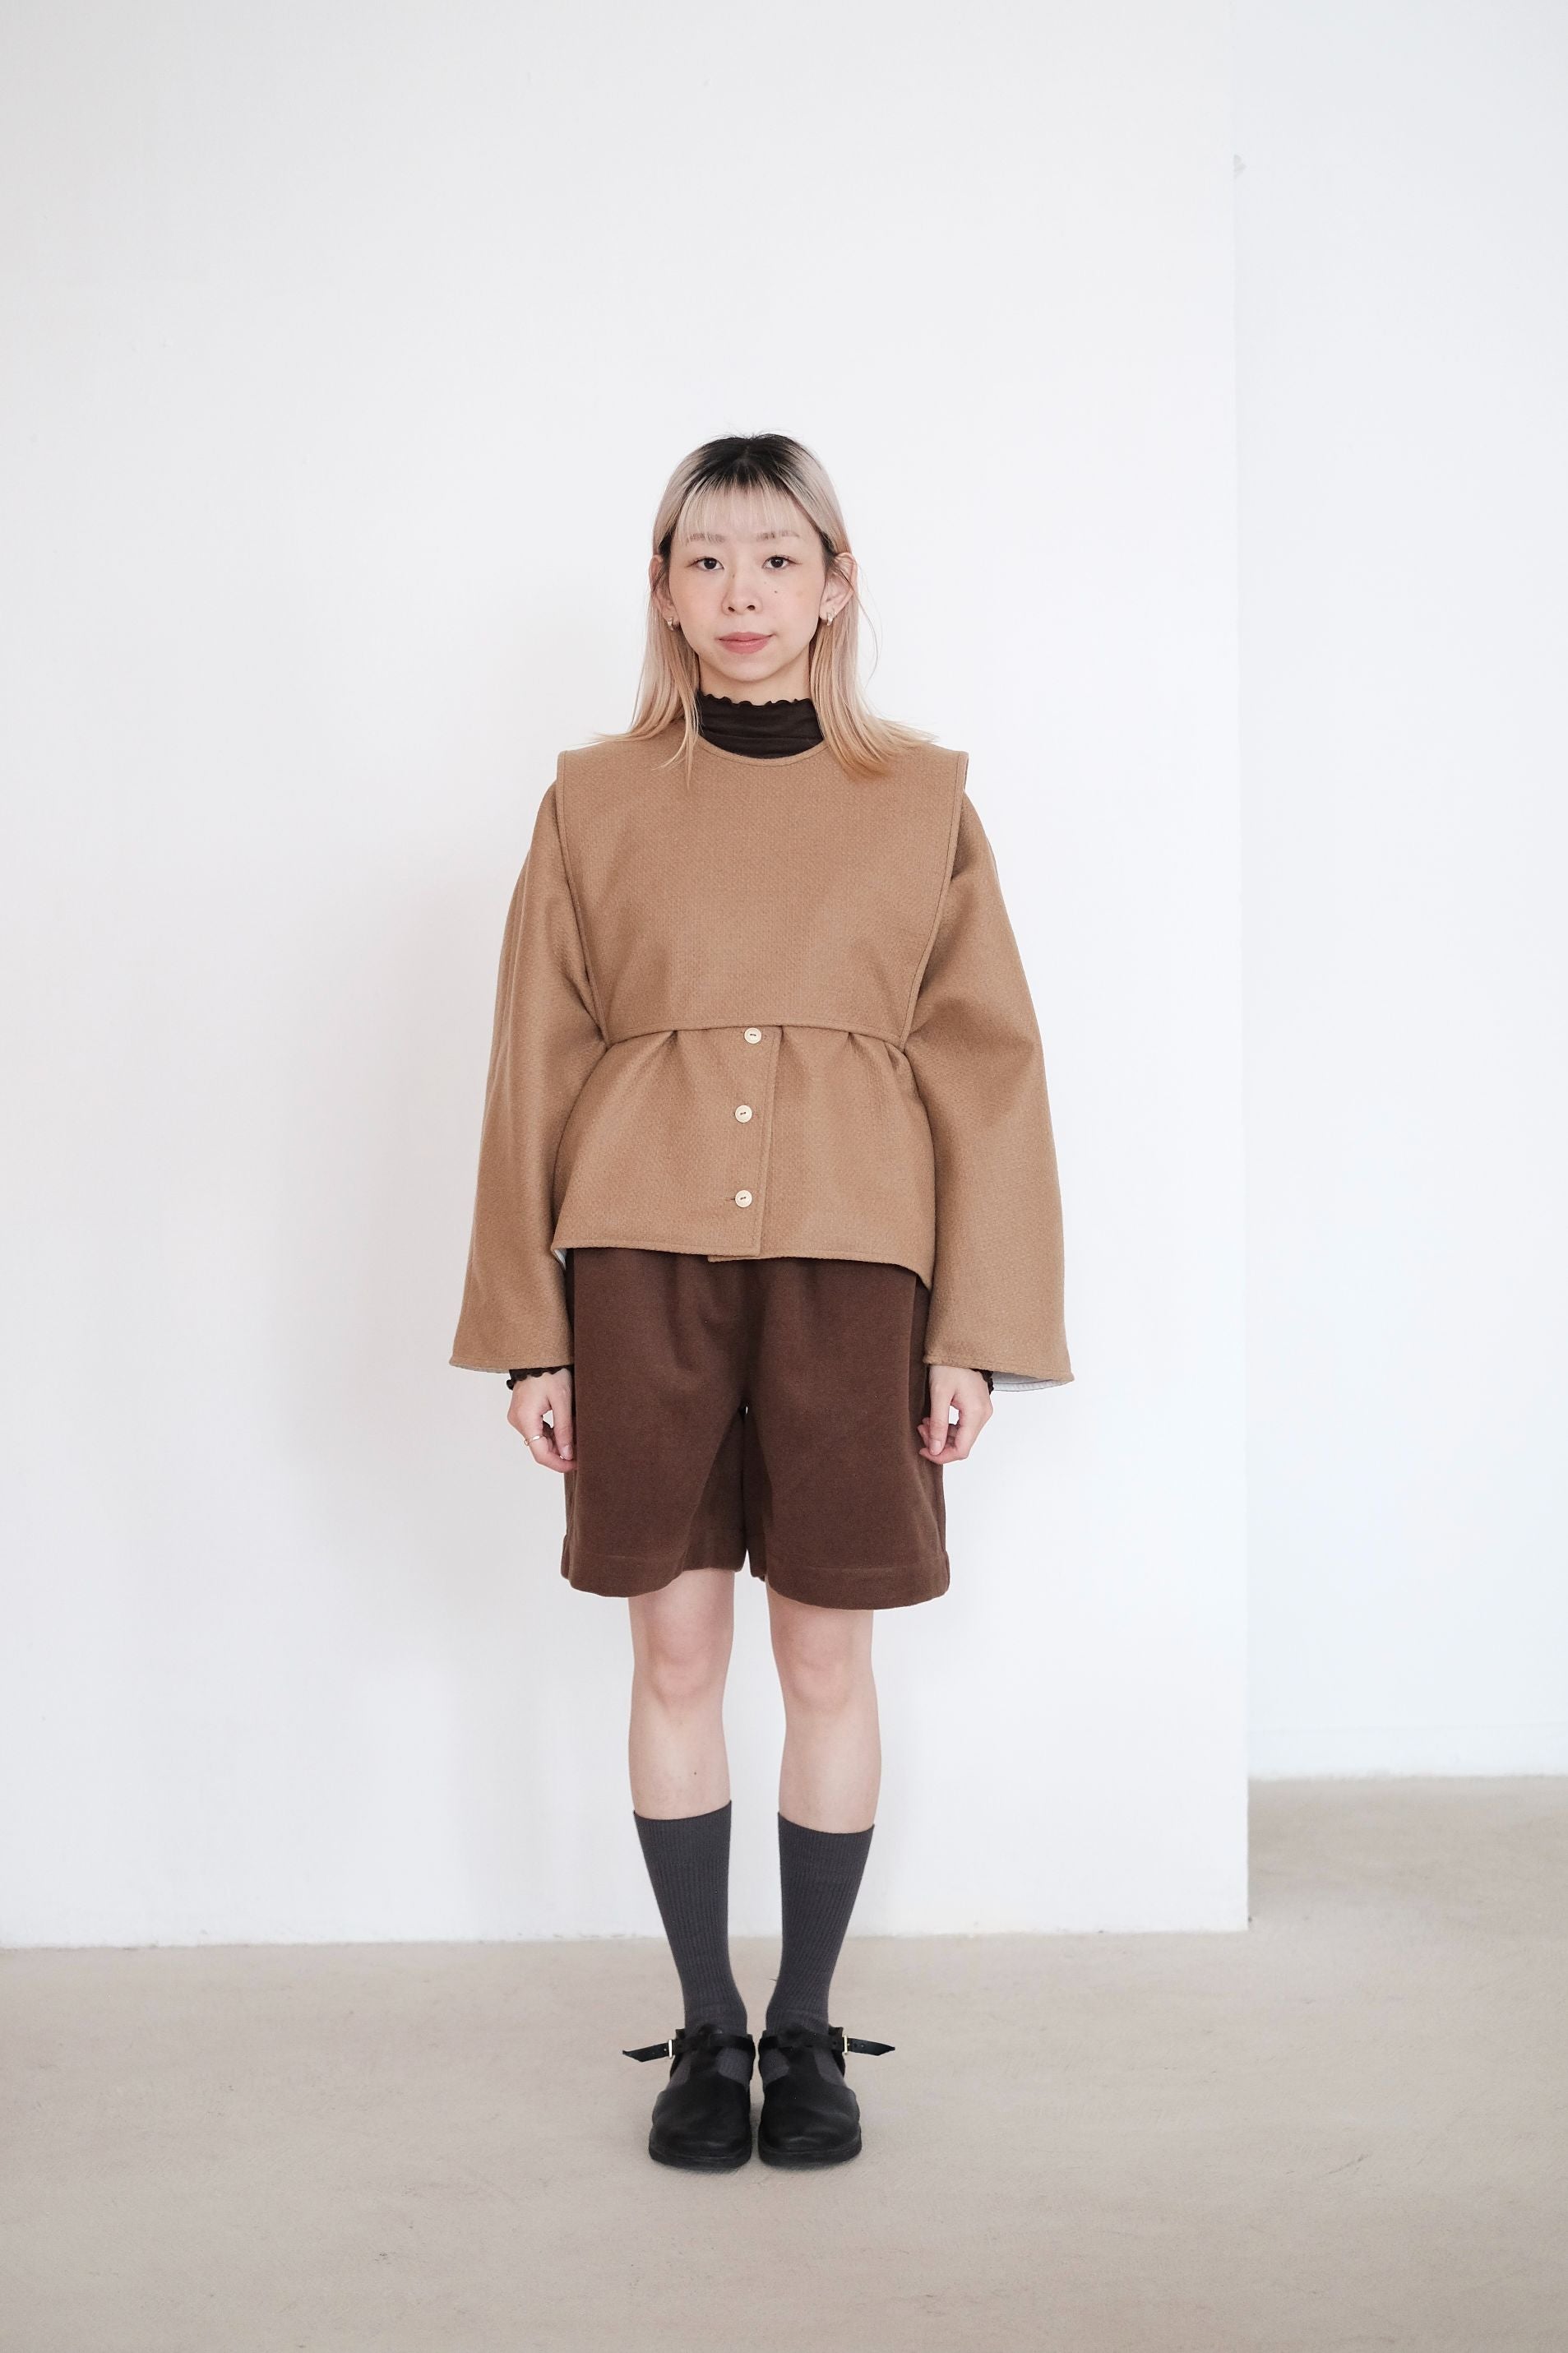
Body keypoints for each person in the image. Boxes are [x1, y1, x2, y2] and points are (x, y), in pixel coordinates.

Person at [450, 432, 1071, 2172]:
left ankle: (805, 2026)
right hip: (636, 1261)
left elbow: (991, 1074)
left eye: (777, 558)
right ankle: (702, 2026)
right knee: (672, 1644)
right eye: (706, 560)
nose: (742, 593)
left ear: (836, 582)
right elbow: (531, 1064)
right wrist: (530, 1332)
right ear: (662, 590)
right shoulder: (591, 801)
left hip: (854, 1266)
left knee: (824, 1646)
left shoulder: (924, 800)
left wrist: (975, 1330)